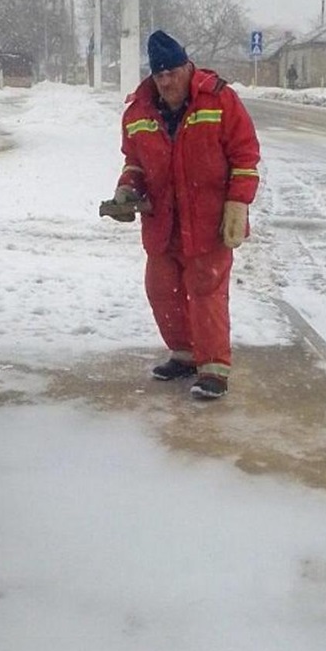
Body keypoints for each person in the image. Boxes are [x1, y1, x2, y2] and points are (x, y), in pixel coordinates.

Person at [107, 30, 260, 400]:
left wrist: (238, 203)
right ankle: (184, 353)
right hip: (162, 222)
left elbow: (245, 157)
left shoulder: (220, 100)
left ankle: (213, 368)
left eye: (173, 73)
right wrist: (128, 189)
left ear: (187, 66)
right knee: (162, 291)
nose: (167, 82)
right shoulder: (138, 112)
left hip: (208, 222)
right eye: (160, 76)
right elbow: (136, 162)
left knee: (206, 292)